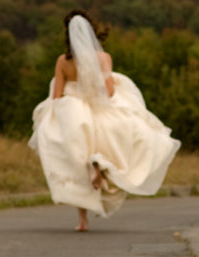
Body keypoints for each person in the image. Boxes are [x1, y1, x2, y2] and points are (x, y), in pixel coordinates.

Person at [29, 10, 180, 231]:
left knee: (75, 166)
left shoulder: (63, 61)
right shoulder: (103, 58)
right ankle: (100, 163)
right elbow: (109, 93)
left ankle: (82, 220)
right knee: (123, 146)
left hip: (74, 113)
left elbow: (56, 97)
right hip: (101, 113)